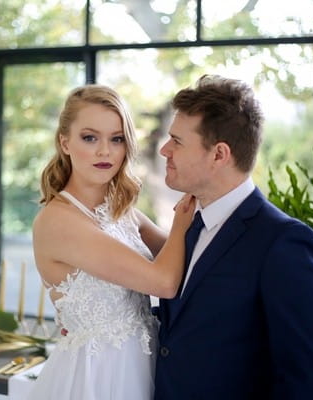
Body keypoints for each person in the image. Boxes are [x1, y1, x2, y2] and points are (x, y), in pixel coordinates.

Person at [154, 74, 313, 399]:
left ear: (219, 154)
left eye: (177, 141)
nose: (165, 150)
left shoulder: (284, 243)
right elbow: (185, 327)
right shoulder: (190, 224)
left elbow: (306, 382)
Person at [28, 84, 195, 400]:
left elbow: (184, 257)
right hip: (96, 378)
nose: (105, 151)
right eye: (90, 138)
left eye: (116, 139)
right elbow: (164, 282)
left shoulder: (122, 211)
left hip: (142, 368)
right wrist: (183, 219)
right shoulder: (59, 221)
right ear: (65, 142)